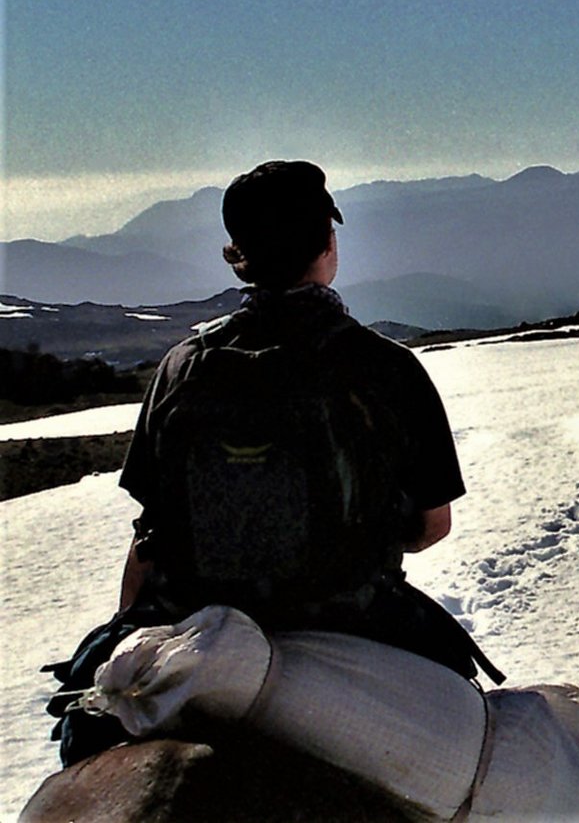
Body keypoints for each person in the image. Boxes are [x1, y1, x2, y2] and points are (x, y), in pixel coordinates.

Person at [45, 160, 502, 765]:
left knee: (88, 718)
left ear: (239, 252)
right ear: (327, 243)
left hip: (192, 619)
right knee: (472, 749)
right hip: (353, 616)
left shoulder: (183, 366)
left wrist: (131, 627)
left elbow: (149, 533)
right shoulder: (387, 368)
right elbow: (430, 526)